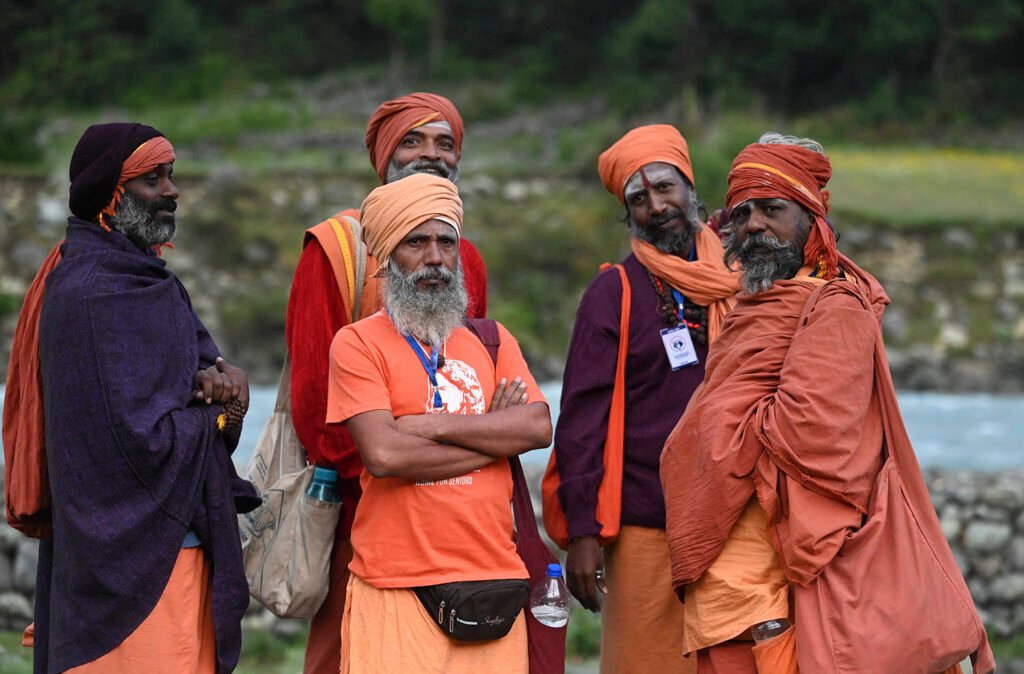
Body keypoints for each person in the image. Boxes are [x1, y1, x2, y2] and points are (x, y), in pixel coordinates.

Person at [659, 133, 995, 673]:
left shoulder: (837, 305)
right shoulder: (750, 306)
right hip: (734, 566)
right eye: (743, 214)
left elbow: (812, 435)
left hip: (796, 567)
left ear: (811, 218)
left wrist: (716, 425)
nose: (755, 226)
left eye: (773, 210)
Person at [33, 122, 260, 673]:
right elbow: (137, 441)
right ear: (111, 195)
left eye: (171, 176)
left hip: (154, 551)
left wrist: (221, 400)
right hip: (144, 562)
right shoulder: (95, 294)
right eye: (151, 180)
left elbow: (190, 387)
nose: (172, 191)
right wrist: (220, 411)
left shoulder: (140, 282)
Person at [287, 92, 489, 673]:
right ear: (383, 155)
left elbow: (479, 381)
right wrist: (390, 470)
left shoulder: (463, 257)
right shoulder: (333, 251)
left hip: (455, 507)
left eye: (444, 143)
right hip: (363, 504)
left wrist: (445, 467)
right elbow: (314, 403)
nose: (431, 154)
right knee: (351, 653)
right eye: (412, 140)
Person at [326, 172, 552, 673]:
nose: (435, 258)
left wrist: (424, 425)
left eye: (446, 242)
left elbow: (536, 427)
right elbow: (384, 456)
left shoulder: (491, 339)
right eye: (416, 243)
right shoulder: (357, 343)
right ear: (388, 256)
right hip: (395, 586)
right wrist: (495, 433)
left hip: (493, 580)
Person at [547, 125, 739, 673]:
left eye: (665, 187)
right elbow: (582, 419)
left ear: (690, 186)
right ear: (627, 213)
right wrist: (582, 532)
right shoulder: (614, 294)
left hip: (739, 523)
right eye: (639, 198)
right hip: (646, 526)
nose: (657, 206)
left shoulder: (741, 273)